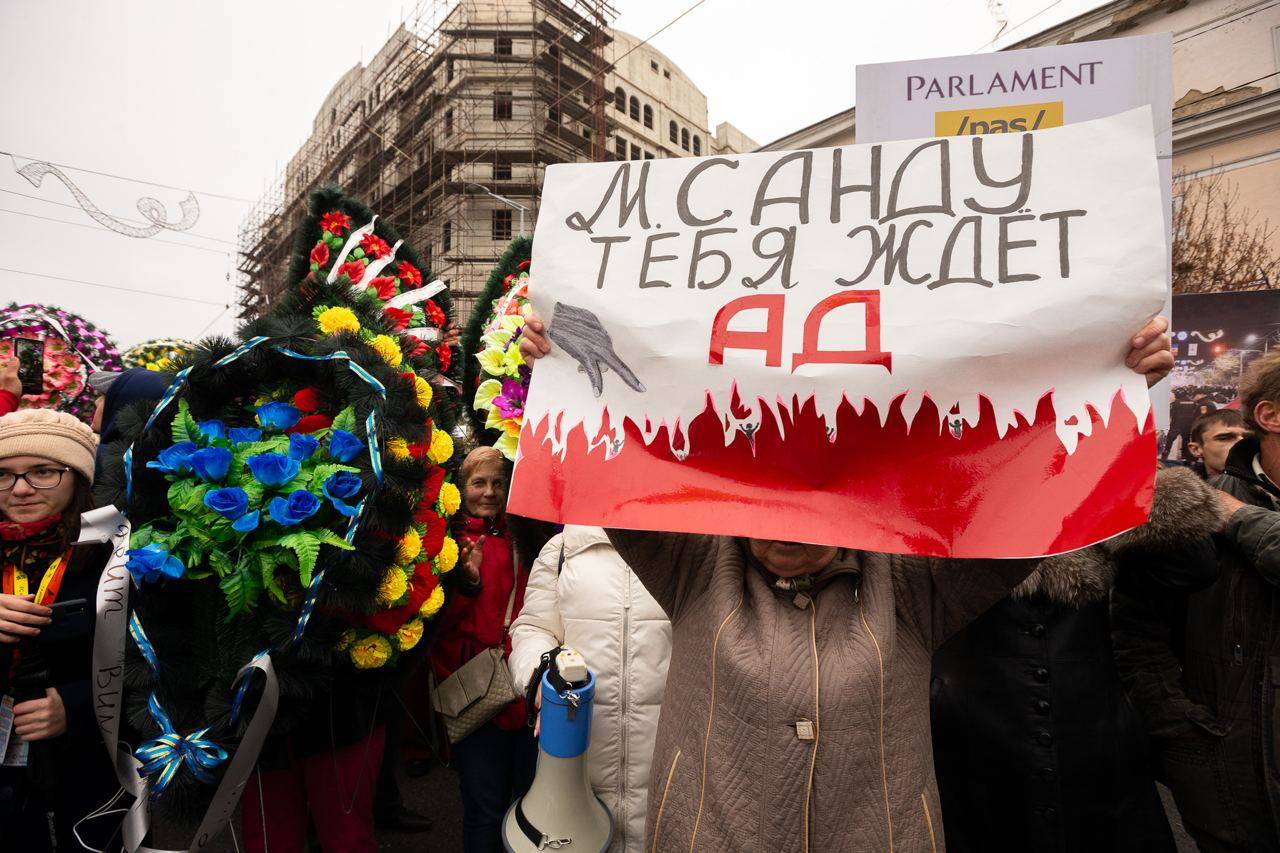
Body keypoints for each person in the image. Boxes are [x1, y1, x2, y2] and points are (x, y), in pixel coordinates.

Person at [519, 313, 1172, 851]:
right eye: (763, 505)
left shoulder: (914, 583)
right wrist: (555, 366)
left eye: (807, 511)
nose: (783, 534)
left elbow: (1036, 509)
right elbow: (597, 456)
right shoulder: (693, 566)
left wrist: (1112, 385)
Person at [930, 464, 1224, 853]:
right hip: (973, 744)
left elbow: (1194, 569)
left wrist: (1115, 465)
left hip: (1095, 742)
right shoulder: (934, 493)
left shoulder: (1085, 481)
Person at [1113, 350, 1280, 852]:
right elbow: (1137, 632)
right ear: (1270, 417)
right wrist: (1184, 736)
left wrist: (1242, 521)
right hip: (1232, 784)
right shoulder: (1193, 510)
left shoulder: (1230, 513)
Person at [508, 526, 672, 853]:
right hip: (577, 773)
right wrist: (540, 673)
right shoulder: (562, 550)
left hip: (669, 781)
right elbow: (532, 629)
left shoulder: (690, 551)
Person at [0, 408, 118, 852]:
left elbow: (170, 663)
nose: (22, 488)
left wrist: (79, 705)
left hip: (86, 775)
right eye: (4, 475)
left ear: (78, 477)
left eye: (43, 471)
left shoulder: (119, 557)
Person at [429, 446, 536, 853]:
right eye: (479, 483)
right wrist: (466, 583)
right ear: (462, 488)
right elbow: (438, 626)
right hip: (480, 694)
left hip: (524, 690)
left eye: (498, 482)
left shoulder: (526, 538)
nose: (489, 492)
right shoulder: (449, 544)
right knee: (484, 806)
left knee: (528, 804)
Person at [1186, 408, 1248, 479]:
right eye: (1224, 438)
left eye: (1249, 438)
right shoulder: (1179, 486)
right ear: (1196, 449)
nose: (1243, 444)